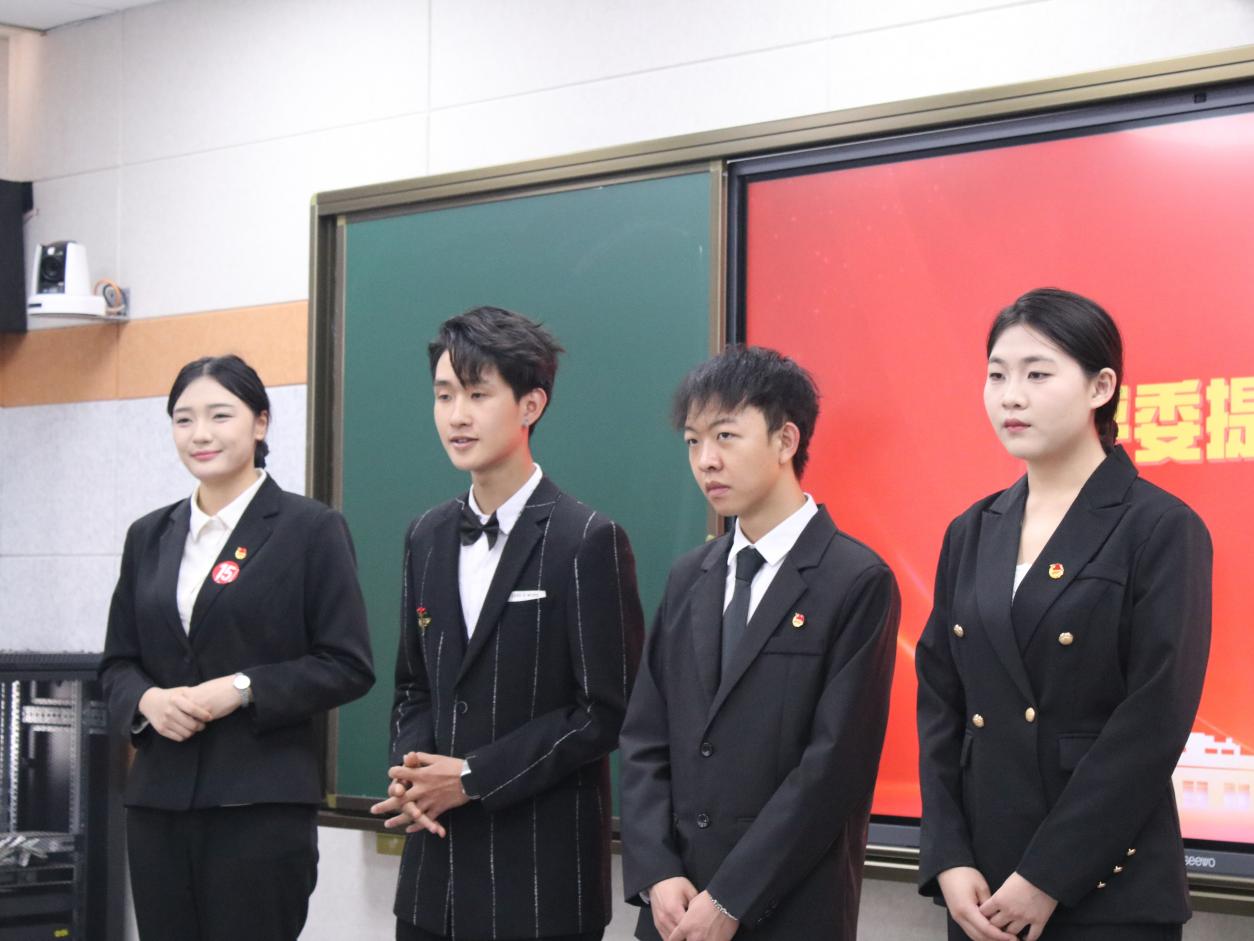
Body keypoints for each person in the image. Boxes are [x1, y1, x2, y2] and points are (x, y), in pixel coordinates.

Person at [916, 288, 1213, 941]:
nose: (1011, 397)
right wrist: (948, 855)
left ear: (1100, 387)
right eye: (997, 375)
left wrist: (1047, 876)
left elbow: (1154, 720)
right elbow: (940, 705)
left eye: (1037, 374)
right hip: (982, 889)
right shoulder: (972, 529)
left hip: (1106, 890)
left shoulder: (1160, 527)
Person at [371, 306, 645, 941]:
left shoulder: (587, 539)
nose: (456, 416)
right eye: (444, 395)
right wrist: (412, 774)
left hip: (539, 885)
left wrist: (471, 779)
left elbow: (605, 711)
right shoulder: (425, 535)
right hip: (432, 884)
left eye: (477, 394)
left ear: (530, 405)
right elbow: (413, 683)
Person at [619, 345, 900, 941]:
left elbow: (833, 769)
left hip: (789, 909)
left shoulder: (855, 580)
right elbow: (645, 736)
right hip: (674, 910)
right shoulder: (689, 576)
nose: (706, 460)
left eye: (725, 436)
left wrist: (731, 897)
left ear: (785, 440)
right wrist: (658, 872)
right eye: (693, 441)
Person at [99, 354, 375, 940]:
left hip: (260, 808)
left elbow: (347, 665)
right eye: (183, 419)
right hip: (158, 806)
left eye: (220, 415)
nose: (200, 434)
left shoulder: (310, 528)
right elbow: (117, 663)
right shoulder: (149, 535)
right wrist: (148, 702)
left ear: (260, 422)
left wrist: (243, 688)